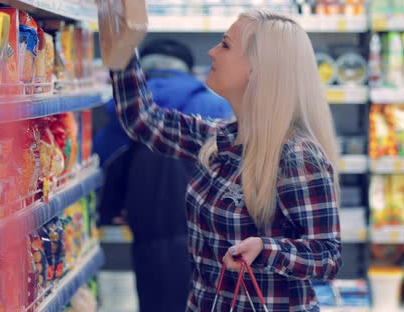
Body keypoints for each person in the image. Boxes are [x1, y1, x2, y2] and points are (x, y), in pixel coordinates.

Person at [110, 9, 342, 311]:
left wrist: (266, 249)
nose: (211, 52)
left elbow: (328, 256)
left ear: (257, 69)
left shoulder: (297, 157)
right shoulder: (220, 138)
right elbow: (142, 120)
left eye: (225, 44)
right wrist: (122, 40)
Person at [94, 39, 233, 311]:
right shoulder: (214, 106)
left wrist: (108, 211)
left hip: (150, 234)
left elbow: (104, 160)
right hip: (212, 239)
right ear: (187, 69)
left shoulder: (126, 108)